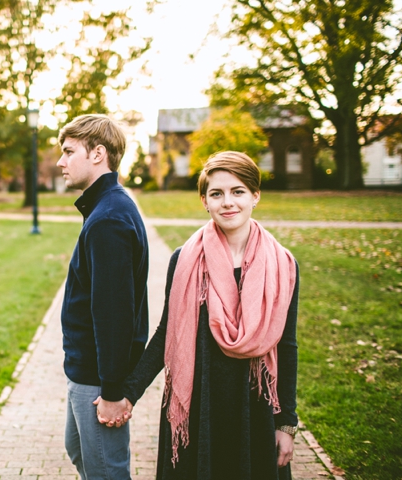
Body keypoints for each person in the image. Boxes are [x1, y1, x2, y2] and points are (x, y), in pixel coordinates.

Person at [113, 151, 300, 480]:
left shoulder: (283, 265)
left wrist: (286, 422)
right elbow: (166, 335)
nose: (228, 202)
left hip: (253, 408)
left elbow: (287, 346)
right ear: (205, 201)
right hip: (199, 404)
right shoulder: (184, 260)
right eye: (217, 193)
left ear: (255, 196)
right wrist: (127, 394)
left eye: (238, 191)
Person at [57, 114, 149, 479]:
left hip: (98, 379)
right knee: (78, 449)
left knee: (107, 471)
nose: (61, 162)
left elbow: (114, 316)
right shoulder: (104, 206)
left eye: (68, 152)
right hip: (85, 370)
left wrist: (112, 392)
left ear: (98, 154)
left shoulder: (108, 218)